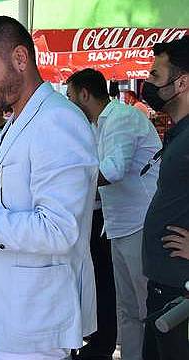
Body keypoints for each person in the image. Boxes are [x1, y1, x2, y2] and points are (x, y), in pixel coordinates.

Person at [0, 16, 98, 359]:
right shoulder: (20, 118)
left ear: (19, 58)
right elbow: (24, 200)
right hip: (13, 313)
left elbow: (59, 228)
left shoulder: (57, 121)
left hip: (37, 320)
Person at [67, 68, 162, 360]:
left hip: (140, 222)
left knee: (148, 308)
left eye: (71, 98)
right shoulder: (97, 125)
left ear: (85, 94)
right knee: (127, 308)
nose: (69, 105)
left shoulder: (121, 118)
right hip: (118, 225)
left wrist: (67, 182)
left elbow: (113, 171)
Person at [141, 37, 189, 360]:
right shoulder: (179, 131)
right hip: (164, 290)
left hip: (181, 298)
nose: (148, 84)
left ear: (182, 82)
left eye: (155, 76)